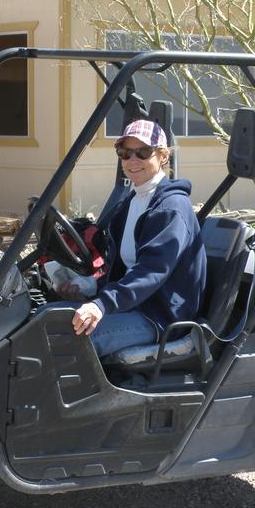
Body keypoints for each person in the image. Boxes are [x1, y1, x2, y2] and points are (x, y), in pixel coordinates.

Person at [60, 119, 207, 357]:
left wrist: (101, 304)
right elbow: (121, 270)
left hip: (158, 317)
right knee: (43, 319)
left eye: (143, 152)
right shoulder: (132, 202)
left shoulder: (171, 208)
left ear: (163, 156)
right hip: (132, 305)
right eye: (125, 153)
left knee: (63, 340)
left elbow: (150, 273)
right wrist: (89, 287)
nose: (132, 160)